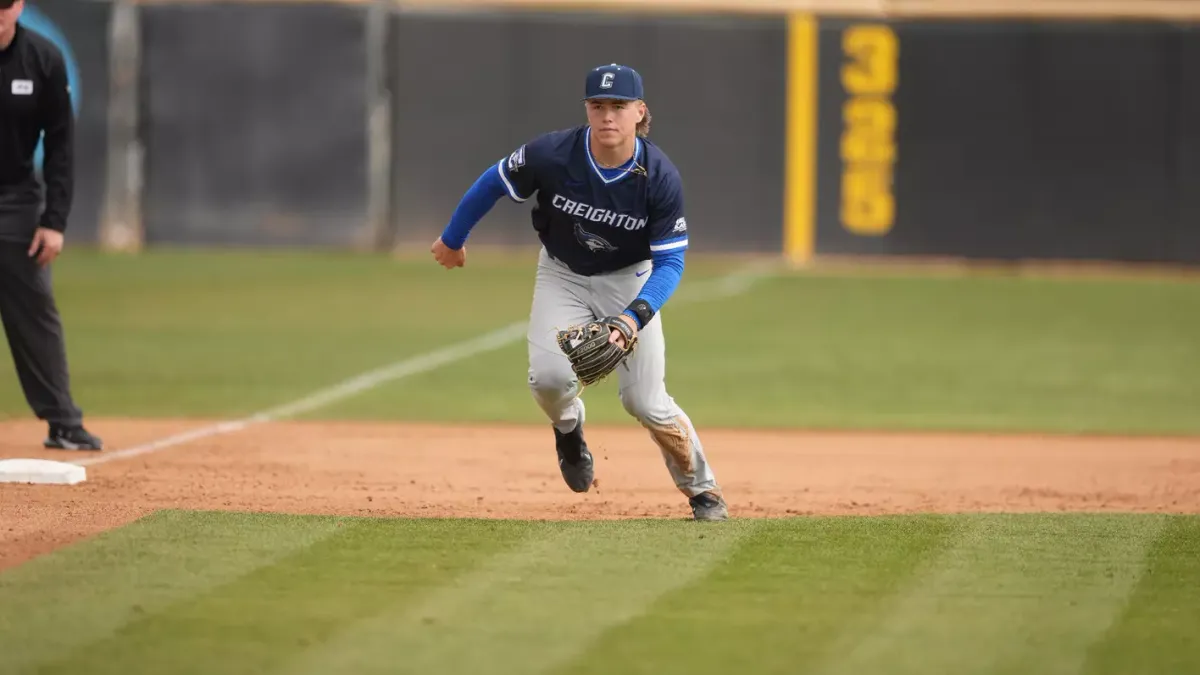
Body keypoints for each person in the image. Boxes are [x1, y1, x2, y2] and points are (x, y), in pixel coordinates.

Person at [431, 63, 727, 521]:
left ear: (640, 112)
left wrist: (633, 317)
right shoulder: (553, 154)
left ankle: (703, 491)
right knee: (549, 380)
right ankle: (569, 428)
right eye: (598, 105)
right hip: (562, 275)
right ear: (587, 110)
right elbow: (493, 182)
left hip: (630, 280)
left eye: (618, 106)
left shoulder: (659, 176)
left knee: (645, 401)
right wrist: (453, 239)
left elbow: (670, 262)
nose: (607, 115)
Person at [0, 0, 102, 450]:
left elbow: (61, 145)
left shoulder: (42, 58)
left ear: (18, 6)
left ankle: (62, 421)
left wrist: (54, 221)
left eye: (3, 5)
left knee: (35, 313)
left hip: (15, 201)